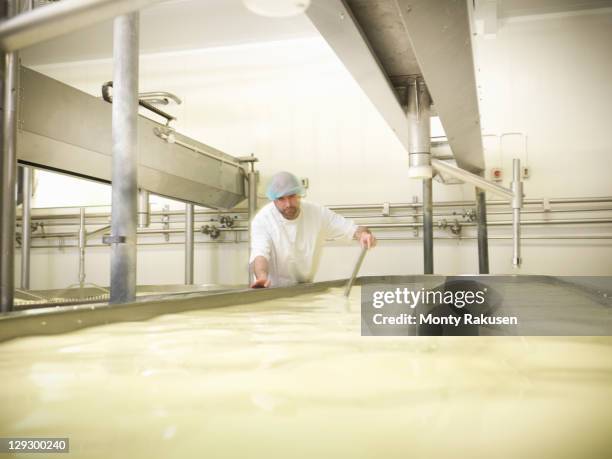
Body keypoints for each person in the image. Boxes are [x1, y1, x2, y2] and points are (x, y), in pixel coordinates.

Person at [249, 171, 376, 288]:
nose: (288, 204)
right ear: (273, 200)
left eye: (292, 196)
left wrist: (363, 234)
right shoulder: (263, 220)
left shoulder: (316, 213)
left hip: (305, 288)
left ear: (299, 194)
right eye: (281, 199)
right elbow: (260, 253)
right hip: (271, 290)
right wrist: (262, 277)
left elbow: (350, 228)